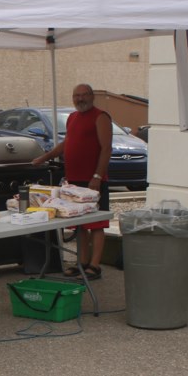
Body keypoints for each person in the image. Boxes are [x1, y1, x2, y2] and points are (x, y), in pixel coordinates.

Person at [31, 83, 112, 280]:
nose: (80, 99)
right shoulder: (73, 118)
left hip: (92, 181)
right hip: (74, 181)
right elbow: (67, 143)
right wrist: (43, 157)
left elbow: (106, 148)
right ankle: (81, 263)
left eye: (84, 95)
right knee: (79, 224)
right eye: (76, 96)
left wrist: (97, 177)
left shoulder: (101, 117)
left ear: (92, 96)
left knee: (97, 224)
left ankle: (95, 266)